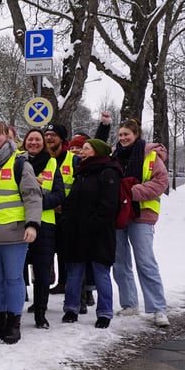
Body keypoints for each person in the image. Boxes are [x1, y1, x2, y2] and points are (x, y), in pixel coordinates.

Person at [0, 120, 42, 344]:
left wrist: (32, 224)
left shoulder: (19, 163)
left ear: (8, 137)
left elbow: (32, 195)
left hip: (14, 233)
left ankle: (14, 322)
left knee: (13, 279)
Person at [111, 118, 170, 327]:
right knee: (119, 262)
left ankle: (158, 308)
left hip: (142, 215)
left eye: (127, 134)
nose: (123, 138)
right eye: (120, 135)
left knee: (145, 261)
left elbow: (161, 182)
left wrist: (130, 192)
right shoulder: (114, 156)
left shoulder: (151, 155)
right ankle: (129, 304)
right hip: (119, 215)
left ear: (136, 135)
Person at [60, 139, 121, 328]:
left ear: (97, 152)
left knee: (101, 272)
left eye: (86, 149)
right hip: (76, 231)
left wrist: (92, 223)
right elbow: (71, 200)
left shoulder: (108, 172)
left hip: (99, 233)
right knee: (74, 272)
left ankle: (104, 313)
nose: (81, 151)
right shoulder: (82, 172)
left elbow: (109, 205)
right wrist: (67, 220)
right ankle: (71, 309)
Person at [21, 127, 65, 329]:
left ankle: (40, 313)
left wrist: (36, 201)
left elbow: (59, 194)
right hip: (19, 223)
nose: (34, 143)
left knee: (42, 271)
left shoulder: (52, 162)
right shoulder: (17, 162)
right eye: (30, 140)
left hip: (45, 224)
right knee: (15, 270)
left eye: (38, 140)